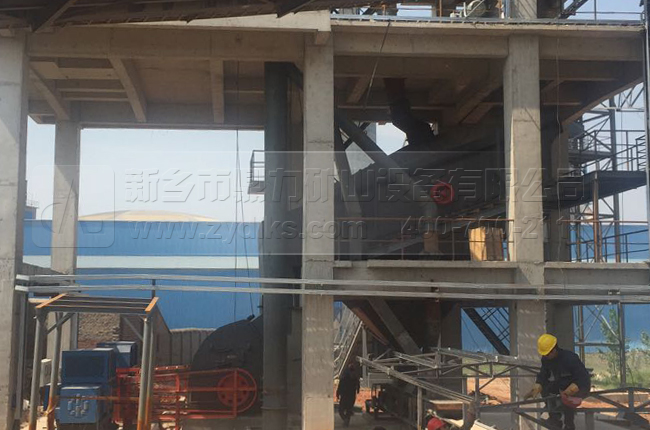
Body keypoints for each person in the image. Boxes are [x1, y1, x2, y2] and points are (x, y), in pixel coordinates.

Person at [524, 334, 591, 430]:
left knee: (566, 401)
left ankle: (569, 425)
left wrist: (570, 391)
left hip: (580, 385)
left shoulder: (570, 358)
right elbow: (544, 374)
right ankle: (555, 419)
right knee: (547, 388)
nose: (546, 356)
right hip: (563, 383)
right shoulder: (546, 359)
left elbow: (583, 378)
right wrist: (538, 385)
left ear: (554, 350)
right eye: (544, 354)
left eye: (547, 354)